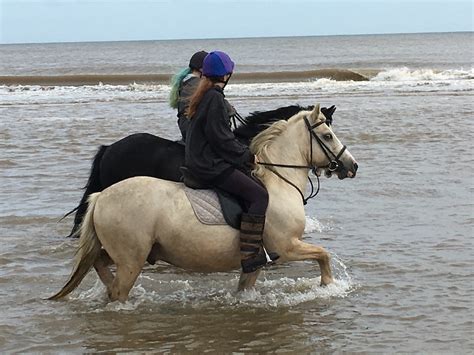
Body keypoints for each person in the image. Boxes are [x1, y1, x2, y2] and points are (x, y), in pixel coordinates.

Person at [184, 51, 279, 273]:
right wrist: (247, 156)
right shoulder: (215, 99)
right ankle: (249, 254)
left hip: (202, 159)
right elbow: (222, 139)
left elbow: (219, 137)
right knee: (259, 195)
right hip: (209, 165)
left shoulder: (205, 94)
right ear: (226, 76)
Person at [169, 50, 208, 141]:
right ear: (202, 69)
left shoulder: (187, 81)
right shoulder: (196, 84)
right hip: (192, 129)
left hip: (186, 126)